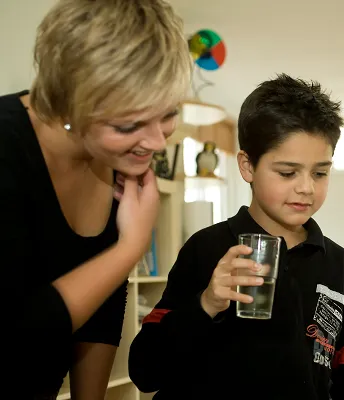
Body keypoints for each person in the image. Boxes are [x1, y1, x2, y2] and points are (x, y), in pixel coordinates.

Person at [128, 74, 344, 399]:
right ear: (247, 166)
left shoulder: (337, 264)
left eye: (320, 173)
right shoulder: (207, 249)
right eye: (287, 172)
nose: (306, 187)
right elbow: (146, 369)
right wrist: (207, 304)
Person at [1, 0, 192, 398]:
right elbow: (18, 336)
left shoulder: (112, 157)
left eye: (168, 114)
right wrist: (131, 247)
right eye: (129, 124)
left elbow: (101, 306)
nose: (157, 142)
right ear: (69, 106)